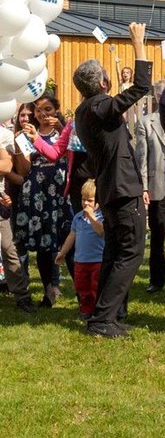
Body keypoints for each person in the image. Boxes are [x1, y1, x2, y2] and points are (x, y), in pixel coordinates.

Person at [73, 22, 151, 339]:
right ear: (104, 82)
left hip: (112, 188)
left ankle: (102, 319)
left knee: (115, 253)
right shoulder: (100, 105)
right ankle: (104, 319)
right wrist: (138, 44)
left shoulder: (83, 109)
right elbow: (140, 88)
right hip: (121, 189)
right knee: (130, 253)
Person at [13, 97, 72, 307]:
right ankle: (49, 292)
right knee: (43, 244)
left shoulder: (64, 131)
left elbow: (72, 152)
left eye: (48, 109)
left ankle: (83, 291)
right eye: (39, 111)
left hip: (60, 190)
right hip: (37, 193)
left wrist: (64, 126)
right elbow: (24, 170)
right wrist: (20, 145)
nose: (43, 114)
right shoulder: (27, 135)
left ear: (56, 109)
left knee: (69, 238)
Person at [133, 82, 165, 294]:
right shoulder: (146, 123)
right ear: (158, 96)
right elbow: (142, 158)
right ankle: (157, 279)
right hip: (159, 184)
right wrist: (144, 187)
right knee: (158, 232)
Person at [55, 179, 106, 319]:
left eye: (90, 200)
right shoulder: (77, 218)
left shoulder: (101, 217)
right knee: (82, 288)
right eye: (84, 199)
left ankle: (98, 312)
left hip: (97, 260)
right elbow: (71, 237)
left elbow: (101, 231)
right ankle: (85, 310)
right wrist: (63, 252)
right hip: (80, 261)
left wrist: (91, 215)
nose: (86, 203)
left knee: (96, 287)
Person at [0, 126, 36, 314]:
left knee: (8, 248)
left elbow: (7, 166)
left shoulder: (4, 134)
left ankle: (22, 296)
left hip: (0, 201)